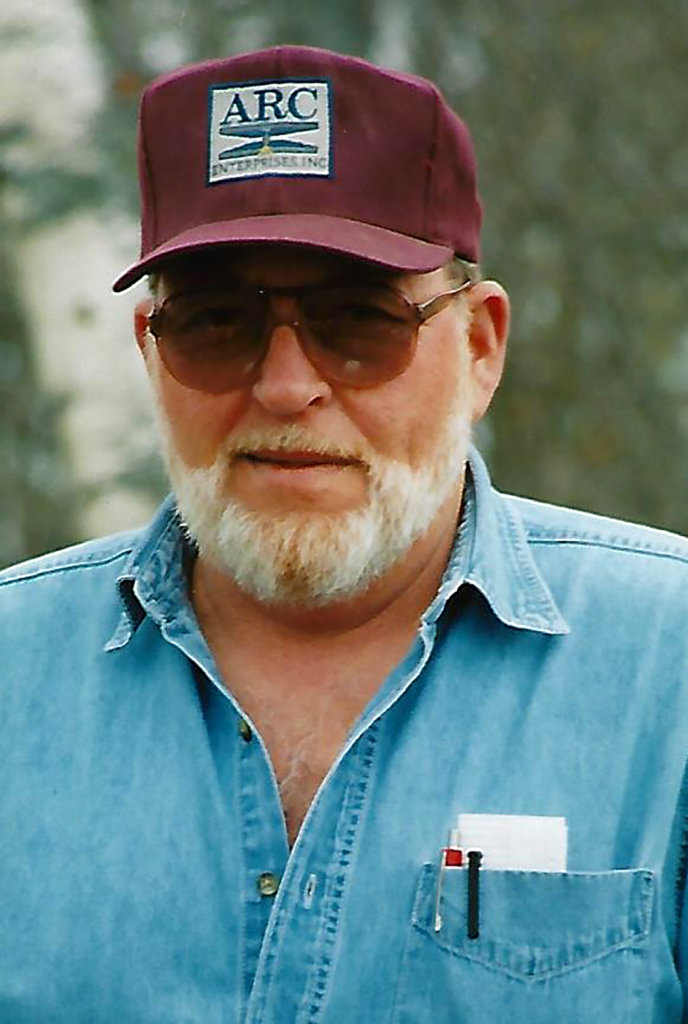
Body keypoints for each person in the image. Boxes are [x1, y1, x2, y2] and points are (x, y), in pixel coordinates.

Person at [2, 43, 688, 1024]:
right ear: (149, 351)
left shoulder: (669, 669)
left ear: (480, 346)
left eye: (360, 322)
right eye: (215, 324)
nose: (287, 387)